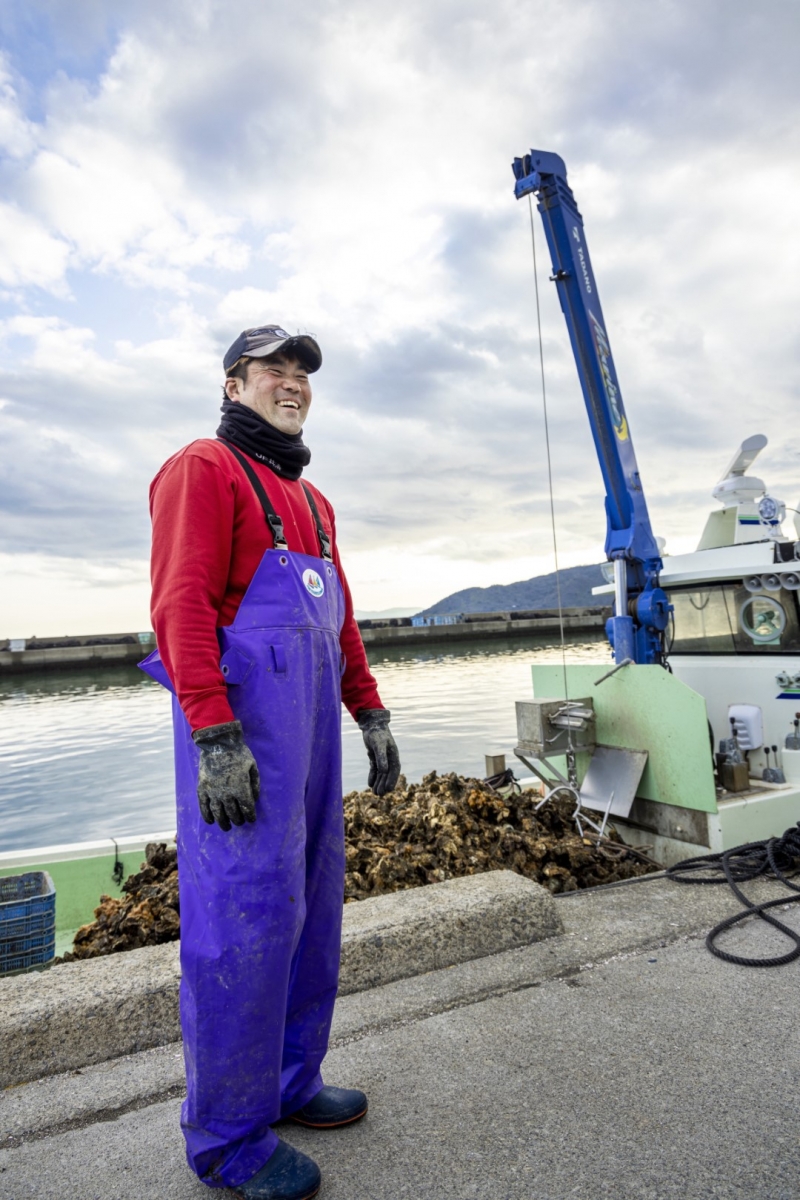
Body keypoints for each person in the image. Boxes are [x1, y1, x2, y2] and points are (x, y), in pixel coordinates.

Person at [140, 324, 401, 1200]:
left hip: (313, 739)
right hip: (245, 740)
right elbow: (179, 603)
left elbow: (342, 620)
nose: (291, 383)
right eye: (272, 370)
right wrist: (212, 734)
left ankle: (290, 1082)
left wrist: (369, 711)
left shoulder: (314, 502)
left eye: (300, 373)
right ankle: (229, 1139)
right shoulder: (202, 471)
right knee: (242, 926)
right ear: (233, 383)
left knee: (310, 910)